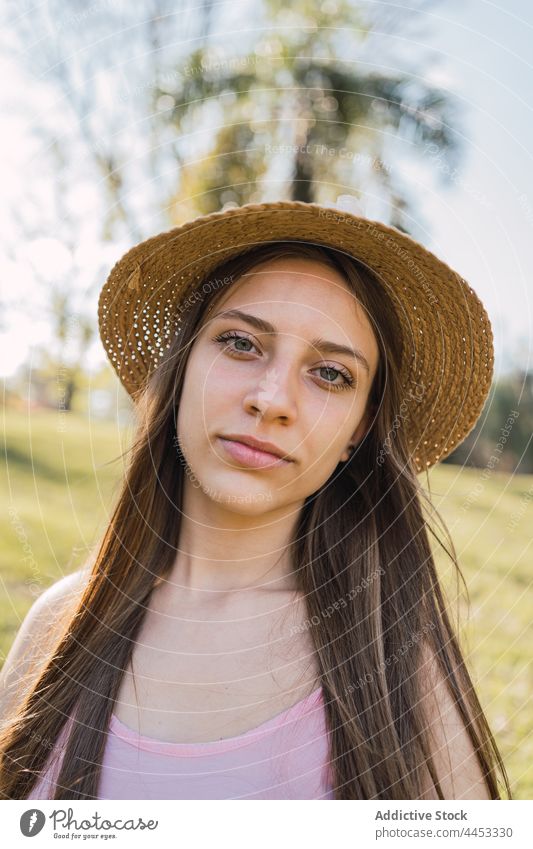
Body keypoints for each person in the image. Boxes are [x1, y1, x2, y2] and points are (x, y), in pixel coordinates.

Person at [0, 200, 511, 800]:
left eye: (330, 374)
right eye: (241, 343)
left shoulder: (392, 667)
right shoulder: (58, 625)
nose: (272, 400)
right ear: (183, 366)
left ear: (359, 431)